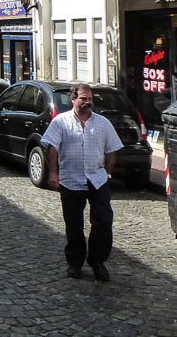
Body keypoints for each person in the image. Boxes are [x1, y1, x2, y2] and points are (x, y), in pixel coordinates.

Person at [41, 83, 124, 281]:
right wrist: (53, 173)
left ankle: (98, 261)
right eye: (83, 99)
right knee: (74, 224)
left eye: (90, 99)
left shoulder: (102, 123)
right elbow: (52, 148)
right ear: (73, 99)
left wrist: (107, 172)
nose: (88, 102)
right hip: (71, 180)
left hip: (97, 180)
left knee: (103, 222)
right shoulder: (61, 122)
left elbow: (112, 150)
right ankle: (75, 263)